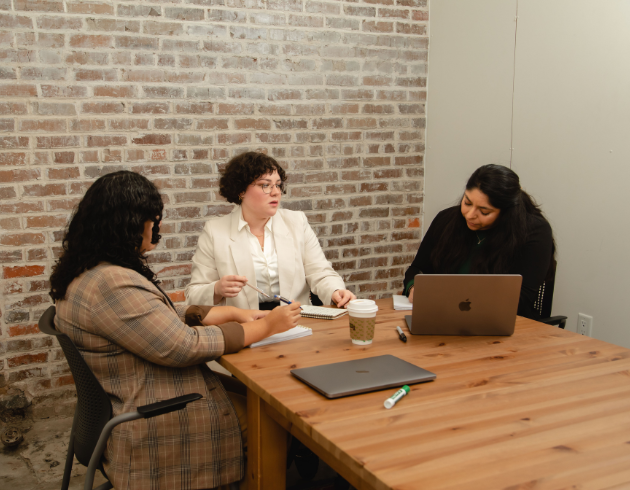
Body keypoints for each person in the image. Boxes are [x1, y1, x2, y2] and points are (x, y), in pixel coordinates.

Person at [49, 171, 301, 490]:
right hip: (158, 415)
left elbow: (153, 316)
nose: (157, 229)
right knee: (273, 420)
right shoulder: (112, 284)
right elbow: (184, 347)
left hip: (134, 396)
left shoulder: (89, 271)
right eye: (153, 221)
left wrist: (225, 312)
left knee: (261, 397)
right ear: (128, 225)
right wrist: (267, 325)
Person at [185, 151, 356, 310]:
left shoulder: (296, 222)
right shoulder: (215, 231)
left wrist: (336, 291)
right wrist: (216, 289)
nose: (275, 192)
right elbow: (194, 295)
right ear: (241, 191)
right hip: (244, 325)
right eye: (265, 185)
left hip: (295, 319)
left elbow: (320, 271)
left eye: (278, 185)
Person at [403, 164, 555, 320]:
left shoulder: (533, 232)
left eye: (484, 212)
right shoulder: (446, 220)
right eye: (467, 203)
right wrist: (414, 287)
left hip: (504, 323)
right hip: (443, 316)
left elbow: (520, 299)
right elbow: (417, 269)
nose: (470, 215)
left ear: (507, 212)